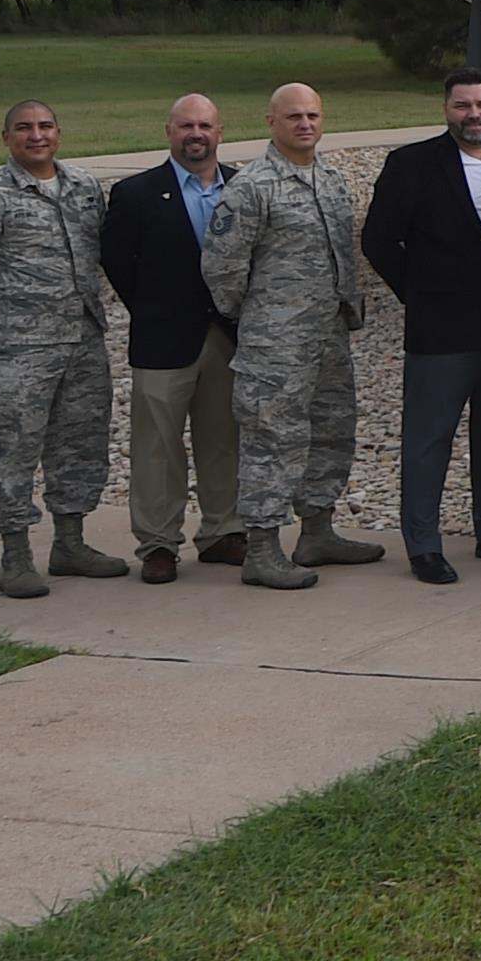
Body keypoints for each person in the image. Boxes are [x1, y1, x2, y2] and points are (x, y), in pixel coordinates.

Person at [364, 69, 481, 584]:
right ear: (446, 109)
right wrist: (423, 296)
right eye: (463, 106)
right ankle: (423, 545)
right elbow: (379, 242)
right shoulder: (412, 165)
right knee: (429, 437)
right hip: (443, 325)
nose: (474, 114)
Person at [0, 99, 125, 600]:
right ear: (6, 139)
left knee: (81, 443)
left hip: (83, 340)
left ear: (59, 134)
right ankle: (15, 554)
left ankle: (70, 543)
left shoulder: (84, 188)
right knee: (14, 450)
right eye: (24, 128)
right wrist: (9, 313)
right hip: (19, 347)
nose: (36, 135)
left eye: (45, 126)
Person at [200, 83, 375, 590]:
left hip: (328, 337)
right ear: (271, 123)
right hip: (275, 345)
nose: (305, 124)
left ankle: (318, 531)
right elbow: (222, 268)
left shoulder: (332, 180)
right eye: (294, 116)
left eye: (313, 115)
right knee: (271, 443)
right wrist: (264, 320)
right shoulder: (252, 187)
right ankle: (262, 549)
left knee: (331, 432)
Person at [98, 94, 245, 579]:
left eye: (205, 125)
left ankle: (223, 531)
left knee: (223, 439)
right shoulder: (136, 194)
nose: (195, 134)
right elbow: (119, 263)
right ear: (169, 131)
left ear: (220, 132)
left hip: (227, 335)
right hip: (163, 338)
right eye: (186, 126)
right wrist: (155, 308)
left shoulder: (245, 188)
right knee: (157, 447)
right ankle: (159, 543)